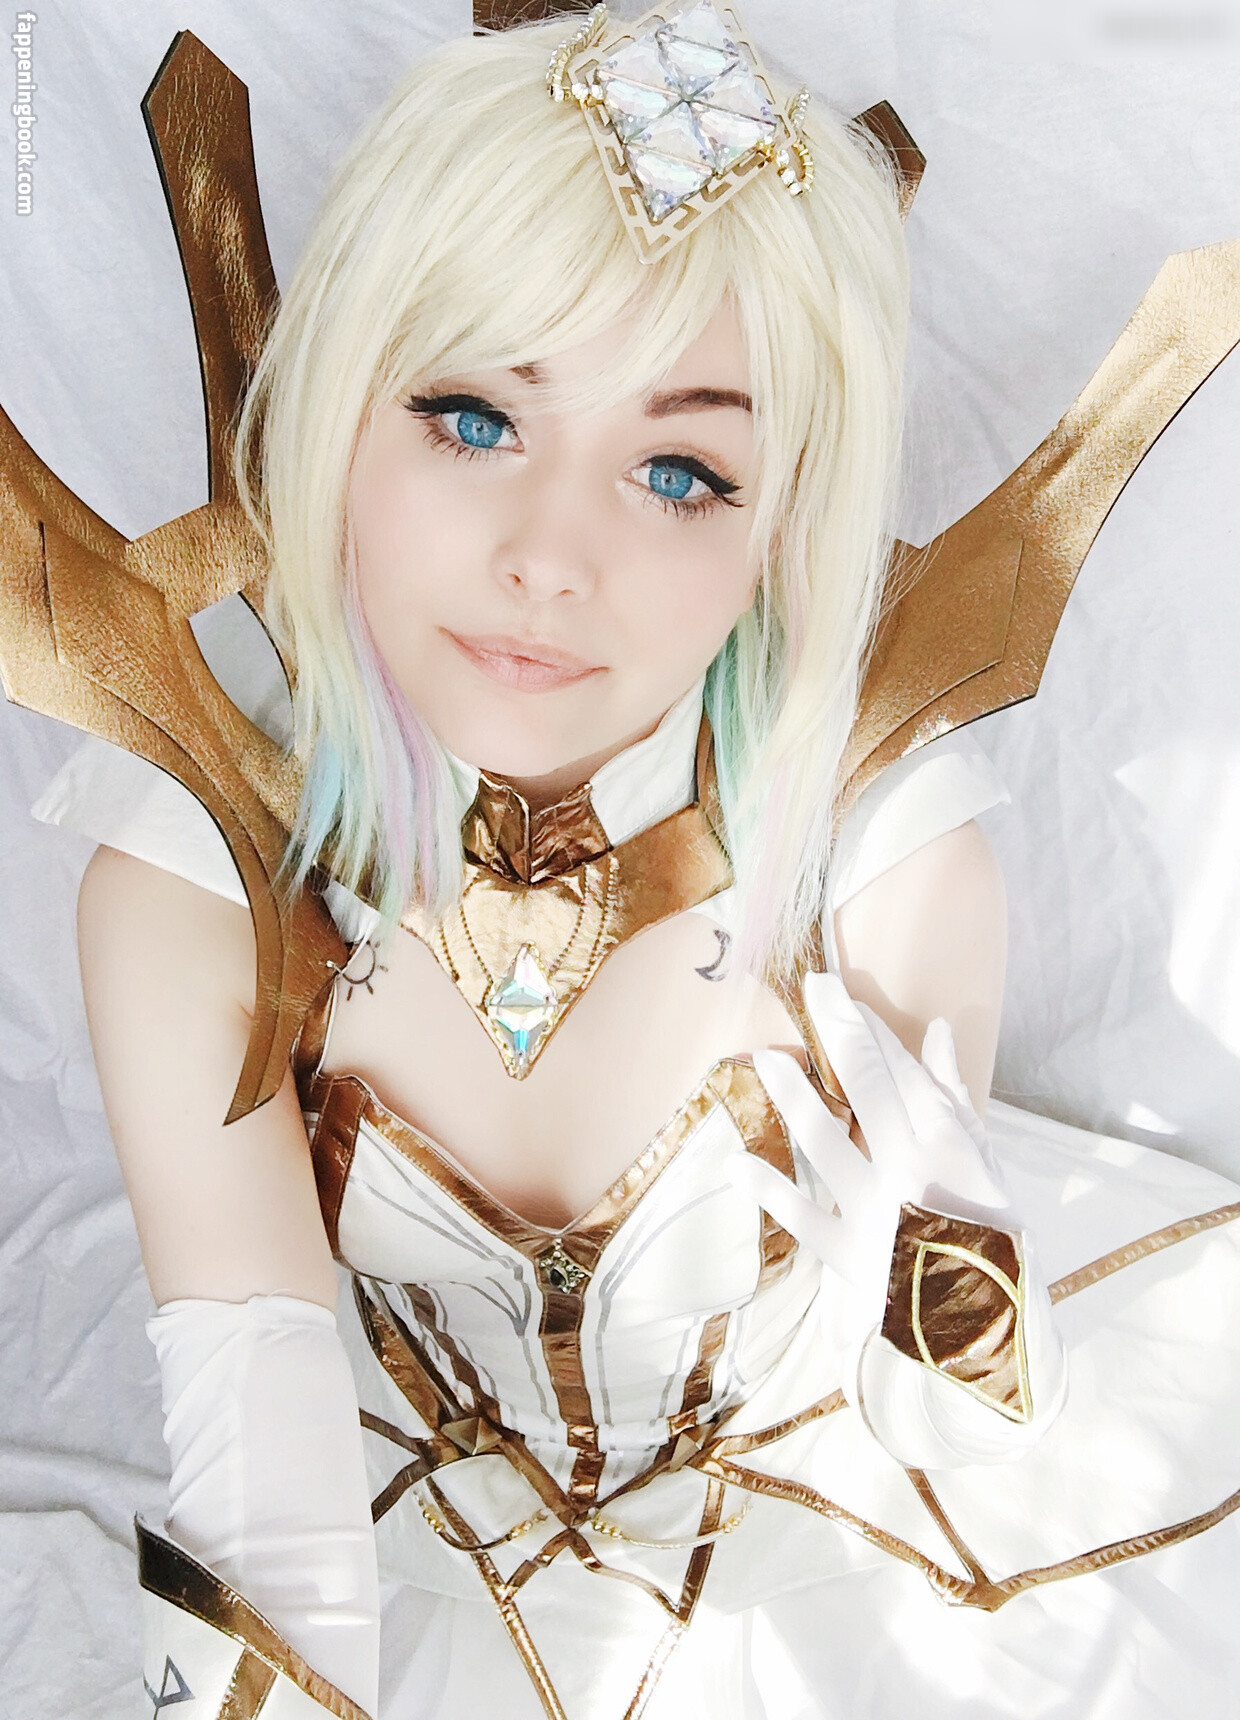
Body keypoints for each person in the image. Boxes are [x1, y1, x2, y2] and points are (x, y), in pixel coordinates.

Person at [7, 7, 1240, 1717]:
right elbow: (263, 1461)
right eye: (470, 416)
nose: (549, 557)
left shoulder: (880, 851)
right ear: (334, 410)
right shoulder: (192, 879)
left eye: (677, 469)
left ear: (784, 523)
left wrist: (940, 1276)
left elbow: (948, 1418)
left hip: (855, 1547)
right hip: (412, 1552)